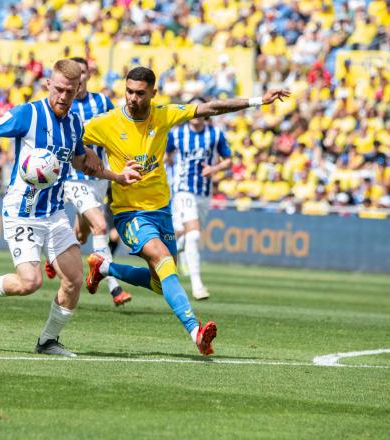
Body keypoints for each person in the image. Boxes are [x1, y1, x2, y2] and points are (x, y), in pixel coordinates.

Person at [0, 59, 141, 357]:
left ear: (77, 90)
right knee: (29, 282)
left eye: (70, 92)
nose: (63, 96)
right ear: (48, 84)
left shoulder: (74, 123)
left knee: (73, 280)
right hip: (22, 212)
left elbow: (82, 162)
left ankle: (48, 341)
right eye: (58, 89)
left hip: (55, 213)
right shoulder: (28, 114)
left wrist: (117, 176)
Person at [82, 66, 289, 356]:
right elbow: (72, 139)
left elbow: (211, 107)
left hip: (161, 209)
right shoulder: (107, 123)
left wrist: (258, 101)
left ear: (153, 93)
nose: (132, 98)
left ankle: (104, 267)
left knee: (160, 281)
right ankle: (196, 332)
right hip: (129, 212)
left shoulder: (163, 114)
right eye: (128, 91)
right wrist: (104, 169)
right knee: (164, 260)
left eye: (140, 93)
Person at [46, 56, 132, 307]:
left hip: (98, 178)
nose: (79, 77)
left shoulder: (101, 102)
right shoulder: (63, 103)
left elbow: (113, 133)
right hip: (73, 177)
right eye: (75, 73)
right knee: (100, 226)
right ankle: (113, 286)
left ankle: (53, 258)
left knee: (81, 236)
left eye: (82, 72)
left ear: (87, 76)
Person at [166, 99, 232, 300]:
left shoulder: (216, 134)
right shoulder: (176, 133)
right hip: (182, 190)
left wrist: (214, 168)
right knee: (193, 235)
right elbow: (166, 155)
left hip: (203, 192)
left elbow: (228, 160)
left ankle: (165, 255)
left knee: (186, 236)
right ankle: (197, 285)